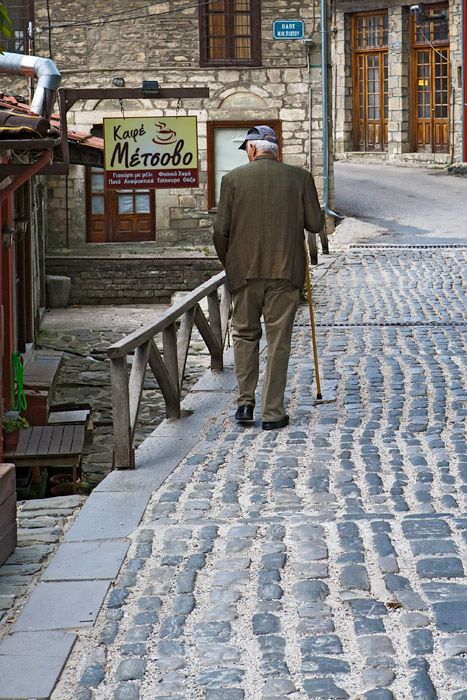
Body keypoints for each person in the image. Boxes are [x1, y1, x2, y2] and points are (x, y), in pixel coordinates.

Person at [213, 125, 324, 430]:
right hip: (285, 271)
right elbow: (315, 224)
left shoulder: (232, 180)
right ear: (275, 151)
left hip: (244, 273)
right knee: (278, 342)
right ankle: (273, 413)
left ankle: (245, 405)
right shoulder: (299, 178)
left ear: (251, 149)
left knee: (245, 336)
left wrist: (231, 264)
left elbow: (220, 232)